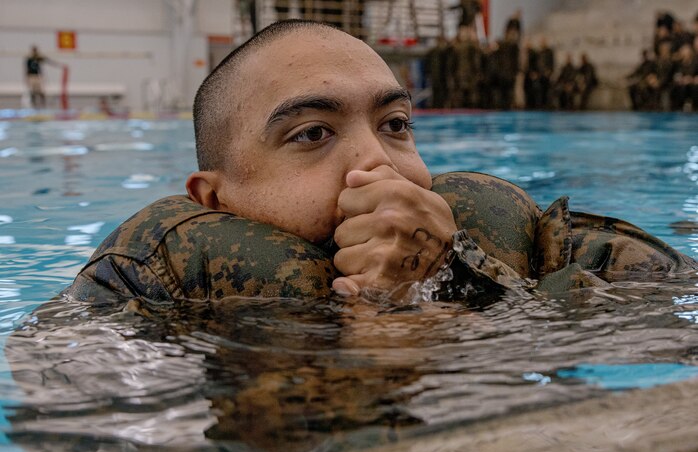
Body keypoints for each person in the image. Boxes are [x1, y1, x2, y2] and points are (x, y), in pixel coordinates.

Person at [64, 20, 697, 305]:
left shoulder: (502, 232)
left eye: (394, 125)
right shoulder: (151, 282)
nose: (377, 160)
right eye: (313, 134)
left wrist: (449, 285)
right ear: (214, 198)